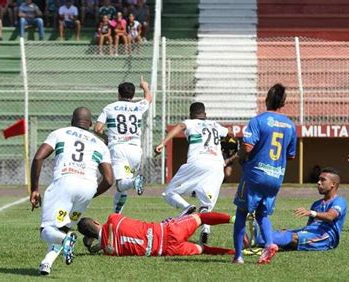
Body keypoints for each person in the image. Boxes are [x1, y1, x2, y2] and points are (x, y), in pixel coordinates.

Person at [30, 107, 114, 275]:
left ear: (72, 120)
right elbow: (109, 180)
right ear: (90, 124)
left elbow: (39, 157)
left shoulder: (60, 133)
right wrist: (91, 194)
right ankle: (46, 263)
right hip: (88, 187)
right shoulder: (100, 144)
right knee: (62, 228)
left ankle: (66, 239)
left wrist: (34, 189)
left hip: (65, 182)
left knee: (47, 230)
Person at [232, 83, 297, 264]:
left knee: (241, 213)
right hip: (275, 177)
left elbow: (247, 146)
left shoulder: (258, 120)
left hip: (255, 175)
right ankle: (269, 245)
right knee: (262, 214)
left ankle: (238, 256)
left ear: (266, 99)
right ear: (283, 103)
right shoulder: (290, 125)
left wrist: (241, 158)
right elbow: (290, 155)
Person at [155, 102, 229, 245]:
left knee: (170, 193)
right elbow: (229, 135)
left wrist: (163, 143)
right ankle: (206, 229)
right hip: (217, 166)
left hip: (198, 162)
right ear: (205, 115)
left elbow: (180, 126)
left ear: (190, 114)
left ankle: (186, 207)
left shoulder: (190, 122)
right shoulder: (215, 125)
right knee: (206, 201)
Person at [245, 167, 347, 252]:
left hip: (325, 237)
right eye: (319, 179)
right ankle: (261, 241)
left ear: (333, 184)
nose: (318, 182)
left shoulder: (339, 201)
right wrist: (300, 231)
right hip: (311, 233)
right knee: (282, 233)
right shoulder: (317, 204)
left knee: (292, 237)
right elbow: (309, 227)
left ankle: (259, 242)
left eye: (323, 180)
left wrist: (311, 213)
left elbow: (330, 216)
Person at [94, 77, 152, 214]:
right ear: (132, 95)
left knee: (121, 184)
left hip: (118, 149)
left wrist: (106, 138)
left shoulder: (110, 108)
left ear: (118, 94)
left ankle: (135, 181)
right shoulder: (138, 106)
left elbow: (97, 129)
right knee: (123, 187)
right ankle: (116, 214)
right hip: (135, 150)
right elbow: (149, 98)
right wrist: (145, 86)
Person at [78, 212, 235, 257]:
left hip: (167, 250)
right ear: (97, 222)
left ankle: (237, 253)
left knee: (203, 249)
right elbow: (111, 227)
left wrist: (96, 245)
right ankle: (234, 219)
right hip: (167, 230)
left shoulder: (109, 251)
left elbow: (106, 241)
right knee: (200, 217)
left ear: (90, 237)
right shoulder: (113, 219)